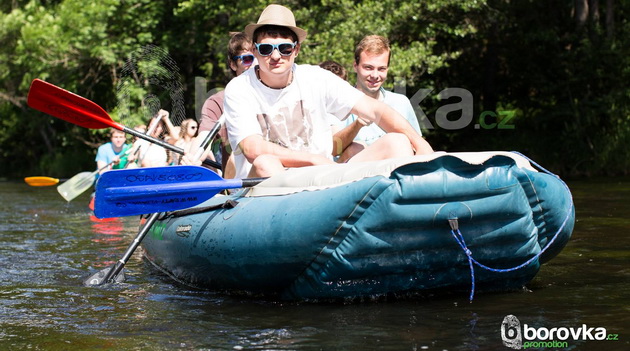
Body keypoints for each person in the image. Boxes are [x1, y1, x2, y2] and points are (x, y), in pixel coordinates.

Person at [223, 4, 433, 179]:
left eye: (285, 48)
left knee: (397, 142)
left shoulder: (316, 77)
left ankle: (401, 221)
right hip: (270, 184)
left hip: (323, 178)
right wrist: (313, 159)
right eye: (267, 49)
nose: (276, 56)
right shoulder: (239, 88)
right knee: (265, 162)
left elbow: (376, 110)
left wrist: (421, 145)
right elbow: (252, 148)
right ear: (255, 51)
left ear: (296, 50)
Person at [333, 35, 423, 162]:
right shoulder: (337, 102)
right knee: (357, 148)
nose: (375, 75)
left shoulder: (401, 102)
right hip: (352, 176)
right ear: (355, 66)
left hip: (394, 173)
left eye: (381, 69)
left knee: (399, 141)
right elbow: (333, 149)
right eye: (368, 68)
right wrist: (357, 125)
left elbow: (418, 147)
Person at [194, 32, 254, 175]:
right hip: (241, 187)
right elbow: (203, 137)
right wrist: (194, 154)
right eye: (247, 59)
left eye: (258, 57)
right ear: (233, 64)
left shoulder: (279, 92)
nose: (254, 64)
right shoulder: (217, 102)